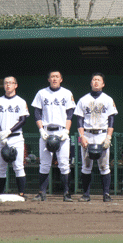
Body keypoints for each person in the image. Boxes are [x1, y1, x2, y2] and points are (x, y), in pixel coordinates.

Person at [32, 71, 76, 202]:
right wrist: (41, 130)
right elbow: (37, 112)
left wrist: (67, 131)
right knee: (44, 164)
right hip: (46, 131)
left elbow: (70, 113)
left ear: (61, 79)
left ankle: (66, 193)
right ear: (48, 79)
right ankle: (41, 193)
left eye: (57, 77)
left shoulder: (67, 93)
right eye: (52, 77)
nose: (54, 79)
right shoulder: (41, 93)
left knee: (64, 164)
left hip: (61, 130)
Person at [74, 72, 117, 202]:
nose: (96, 82)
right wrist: (82, 137)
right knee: (86, 166)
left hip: (102, 134)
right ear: (91, 83)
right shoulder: (83, 99)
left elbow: (111, 119)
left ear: (103, 84)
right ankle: (86, 194)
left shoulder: (108, 99)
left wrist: (108, 137)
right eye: (94, 80)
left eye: (98, 80)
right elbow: (79, 120)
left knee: (104, 166)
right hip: (87, 134)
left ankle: (106, 194)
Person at [0, 76, 29, 199]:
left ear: (16, 85)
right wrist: (1, 133)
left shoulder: (21, 101)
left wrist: (9, 131)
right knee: (1, 167)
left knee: (18, 166)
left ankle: (21, 193)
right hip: (1, 138)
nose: (8, 85)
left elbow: (23, 120)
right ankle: (1, 193)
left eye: (11, 83)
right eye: (6, 83)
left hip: (16, 137)